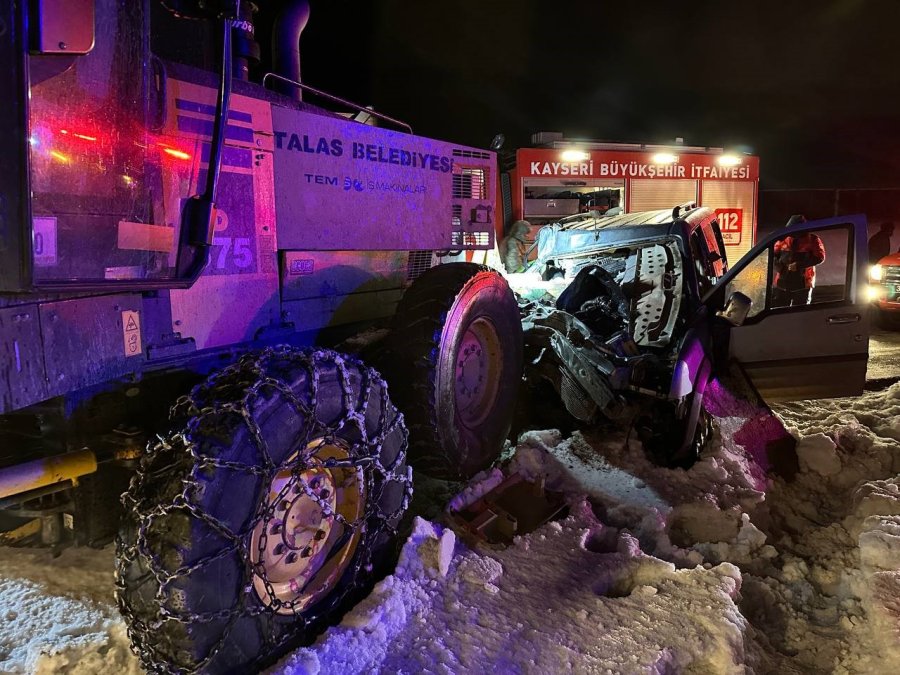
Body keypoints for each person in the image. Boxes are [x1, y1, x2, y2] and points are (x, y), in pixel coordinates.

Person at [772, 214, 826, 307]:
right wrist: (777, 266)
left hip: (803, 283)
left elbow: (820, 257)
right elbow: (772, 255)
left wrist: (799, 265)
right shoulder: (782, 238)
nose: (794, 233)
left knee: (800, 312)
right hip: (783, 282)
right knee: (778, 310)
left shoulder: (813, 239)